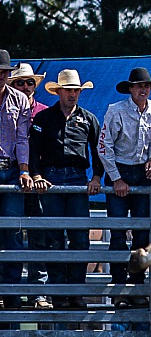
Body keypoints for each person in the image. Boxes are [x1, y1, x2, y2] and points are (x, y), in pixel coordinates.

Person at [30, 69, 102, 310]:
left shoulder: (89, 119)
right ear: (59, 91)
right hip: (51, 177)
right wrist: (37, 174)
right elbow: (34, 149)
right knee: (54, 238)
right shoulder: (44, 119)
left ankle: (76, 291)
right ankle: (59, 293)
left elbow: (97, 151)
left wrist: (97, 176)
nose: (73, 94)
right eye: (69, 90)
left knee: (80, 238)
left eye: (76, 90)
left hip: (78, 178)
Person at [98, 67, 151, 308]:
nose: (143, 89)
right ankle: (118, 288)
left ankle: (136, 285)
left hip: (141, 173)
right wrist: (116, 178)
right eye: (139, 86)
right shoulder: (116, 111)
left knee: (142, 233)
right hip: (121, 170)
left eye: (146, 86)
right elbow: (104, 146)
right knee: (117, 231)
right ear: (131, 89)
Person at [9, 62, 51, 309]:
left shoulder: (46, 112)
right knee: (10, 234)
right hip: (15, 174)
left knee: (39, 234)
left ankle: (39, 292)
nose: (25, 86)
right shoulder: (9, 107)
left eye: (29, 82)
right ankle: (10, 290)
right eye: (20, 82)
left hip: (39, 180)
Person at [0, 50, 33, 310]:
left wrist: (24, 169)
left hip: (10, 169)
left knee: (12, 231)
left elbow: (23, 138)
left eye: (4, 72)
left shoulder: (20, 100)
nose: (1, 76)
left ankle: (11, 293)